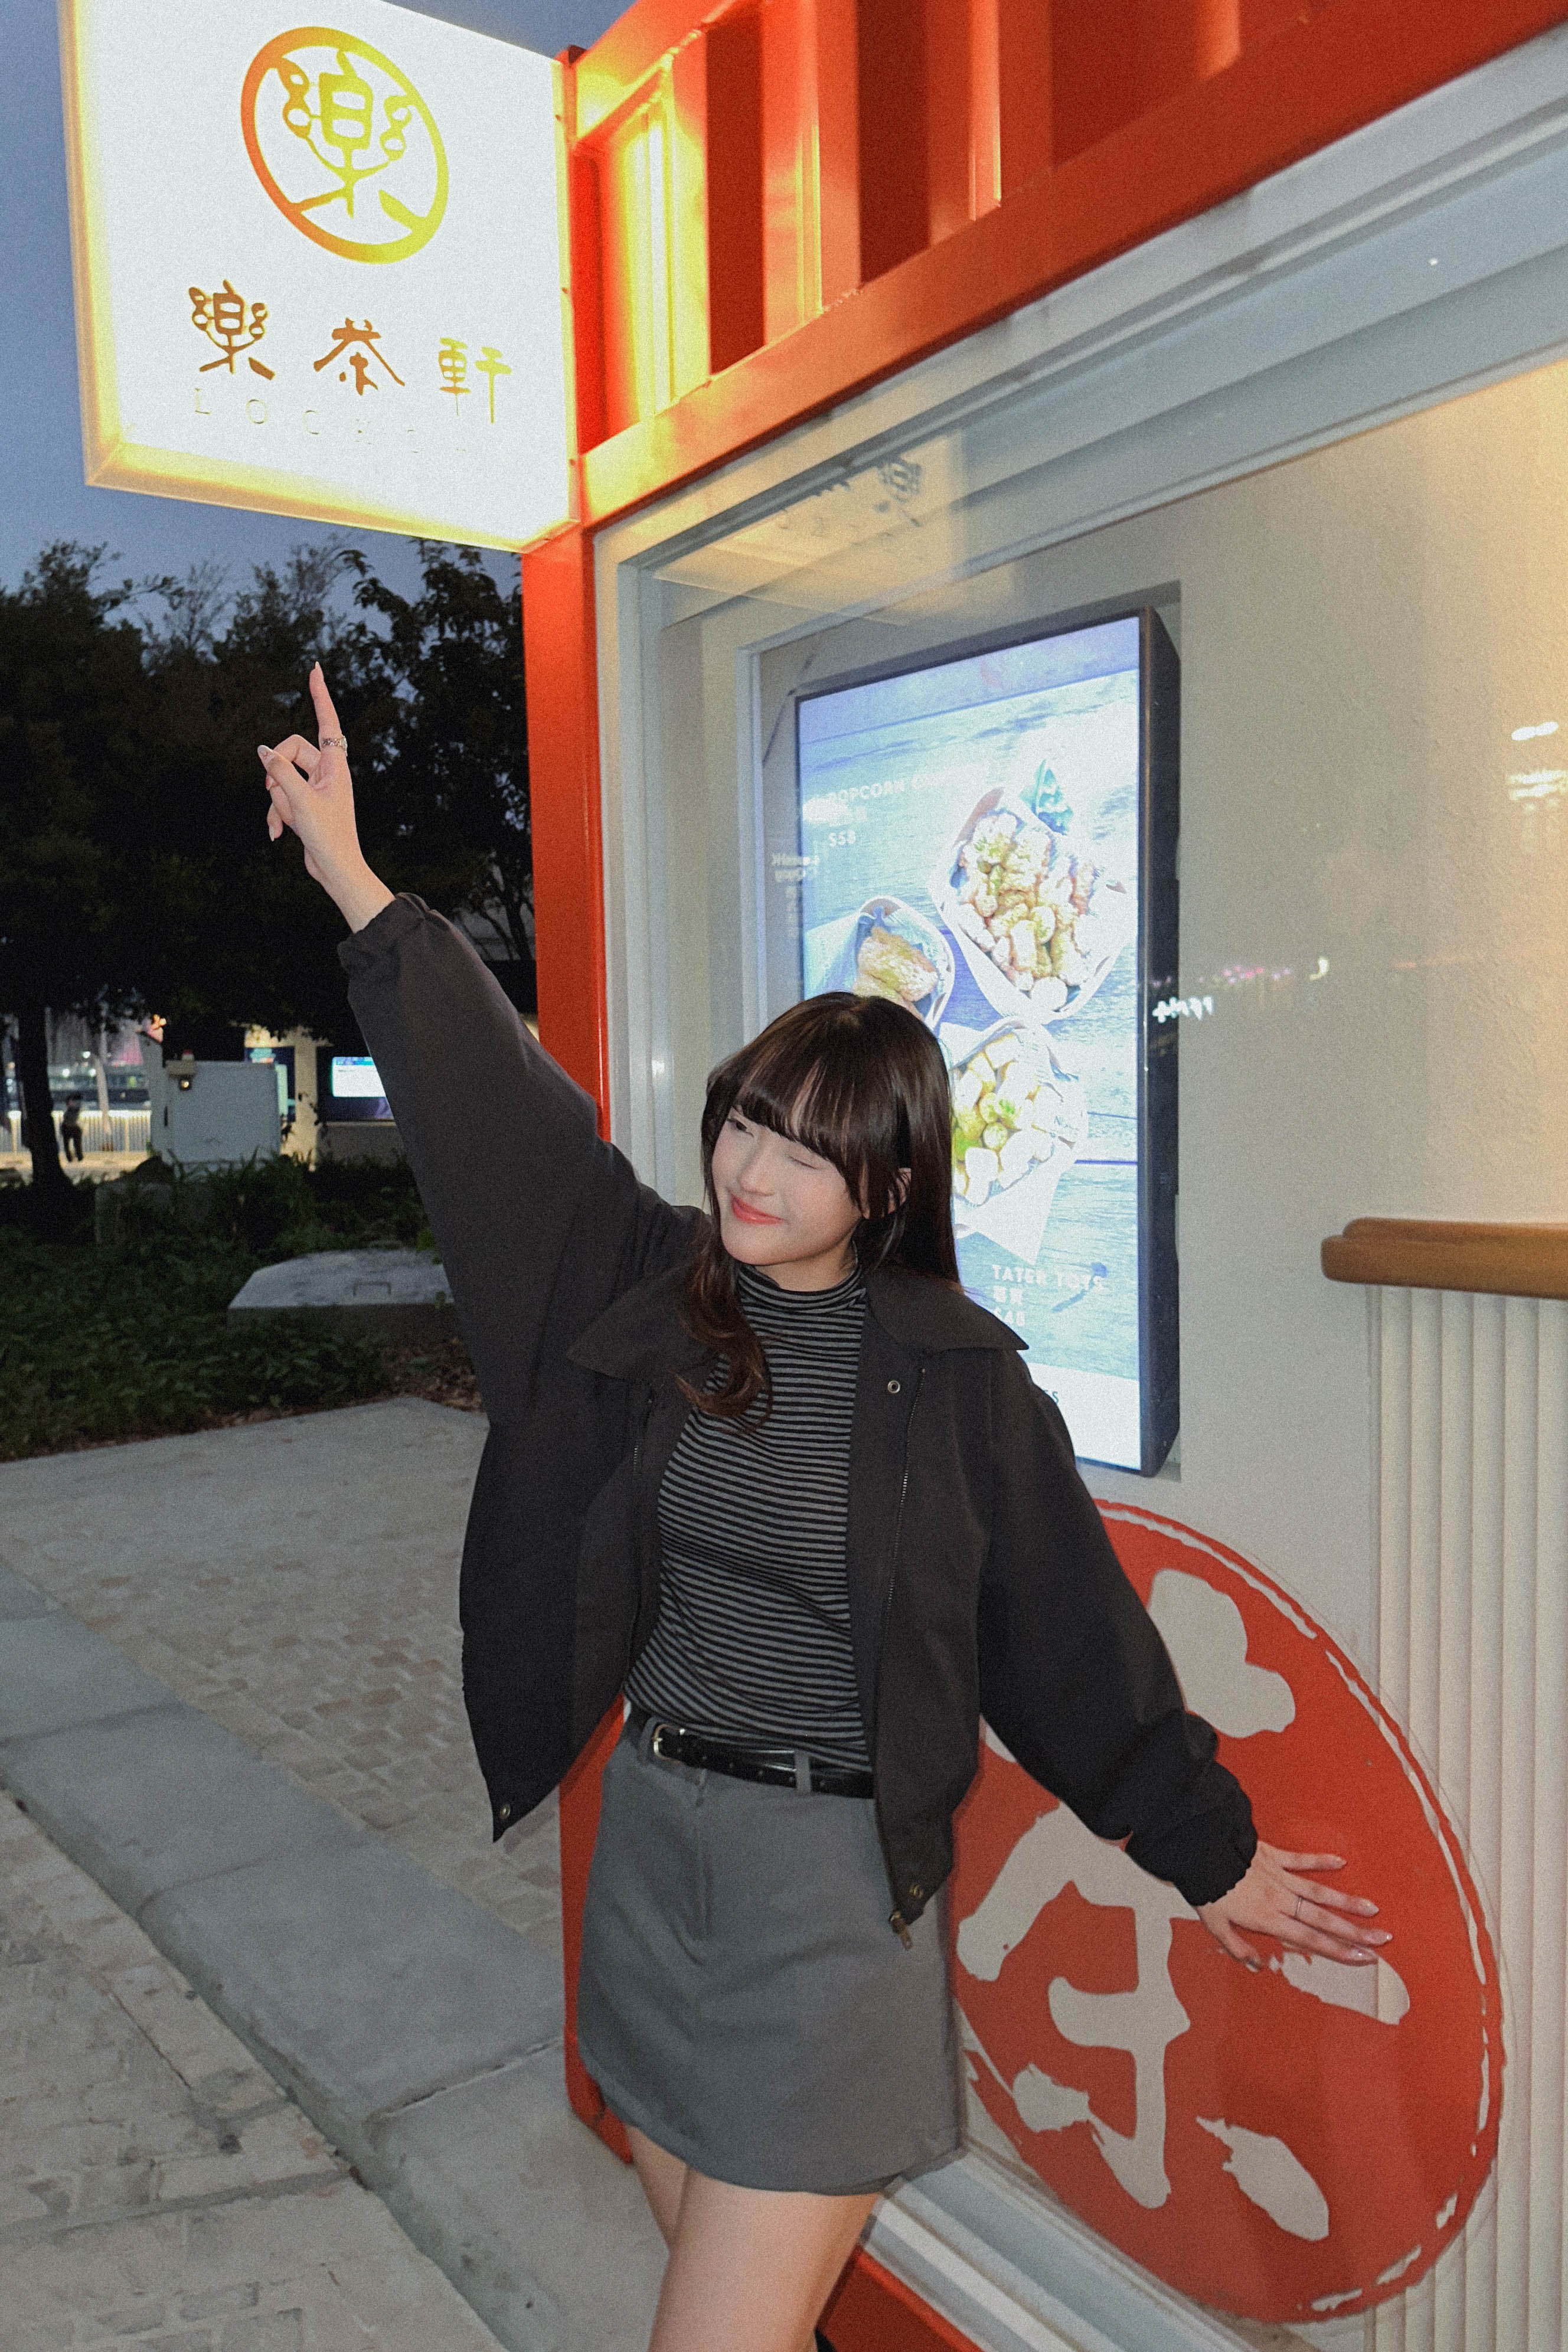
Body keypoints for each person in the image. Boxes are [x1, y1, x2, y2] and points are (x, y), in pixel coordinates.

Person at [257, 670, 1387, 2352]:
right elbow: (505, 1118)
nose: (749, 1168)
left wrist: (1205, 1852)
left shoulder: (956, 1381)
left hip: (828, 1904)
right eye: (745, 1119)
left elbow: (1061, 1637)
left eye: (804, 1148)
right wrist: (358, 881)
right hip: (655, 1856)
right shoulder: (649, 1287)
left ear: (892, 1184)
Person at [60, 1092, 84, 1162]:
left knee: (69, 1144)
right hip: (72, 1127)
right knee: (76, 1144)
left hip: (68, 1127)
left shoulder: (73, 1108)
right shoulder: (77, 1107)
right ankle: (78, 1157)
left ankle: (73, 1157)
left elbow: (69, 1116)